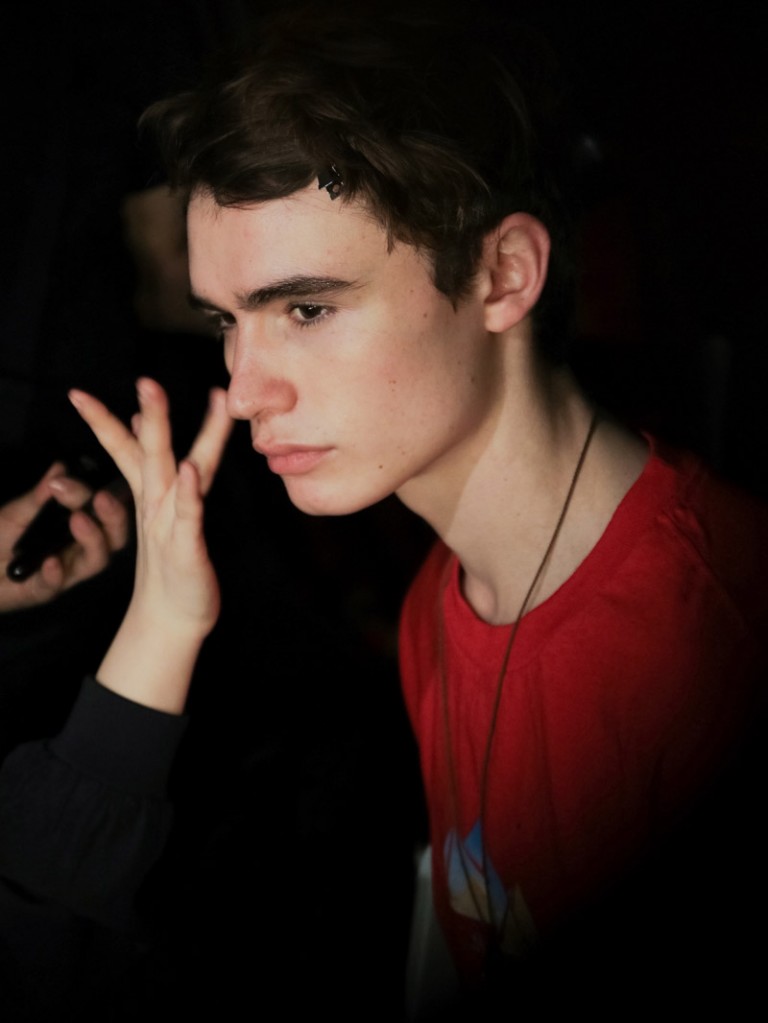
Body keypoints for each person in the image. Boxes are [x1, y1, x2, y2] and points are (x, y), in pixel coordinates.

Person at [2, 2, 766, 1016]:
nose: (245, 388)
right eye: (227, 321)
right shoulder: (438, 609)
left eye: (308, 309)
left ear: (504, 274)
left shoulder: (714, 648)